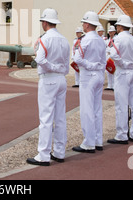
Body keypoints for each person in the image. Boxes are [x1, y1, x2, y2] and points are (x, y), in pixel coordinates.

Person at [26, 9, 70, 166]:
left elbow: (40, 59)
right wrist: (59, 69)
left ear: (45, 23)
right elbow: (66, 64)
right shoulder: (64, 40)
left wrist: (51, 67)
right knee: (60, 117)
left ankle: (43, 154)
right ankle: (59, 152)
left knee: (45, 118)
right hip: (61, 80)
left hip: (48, 79)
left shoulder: (44, 39)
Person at [72, 11, 106, 153]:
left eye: (83, 23)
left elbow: (77, 59)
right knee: (97, 109)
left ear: (87, 24)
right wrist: (97, 67)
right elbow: (104, 61)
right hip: (99, 75)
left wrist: (90, 65)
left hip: (88, 76)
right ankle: (98, 140)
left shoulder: (85, 40)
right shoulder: (100, 39)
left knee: (87, 109)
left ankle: (88, 142)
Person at [107, 15, 133, 144]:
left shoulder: (118, 39)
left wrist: (122, 64)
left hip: (123, 72)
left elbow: (114, 54)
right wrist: (131, 66)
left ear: (120, 26)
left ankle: (122, 134)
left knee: (121, 104)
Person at [105, 25, 117, 90]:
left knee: (114, 71)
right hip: (108, 56)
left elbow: (114, 48)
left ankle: (114, 85)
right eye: (109, 32)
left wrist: (109, 50)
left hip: (113, 56)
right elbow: (105, 48)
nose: (110, 33)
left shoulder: (116, 39)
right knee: (108, 71)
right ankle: (109, 85)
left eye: (112, 32)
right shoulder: (107, 40)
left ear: (114, 32)